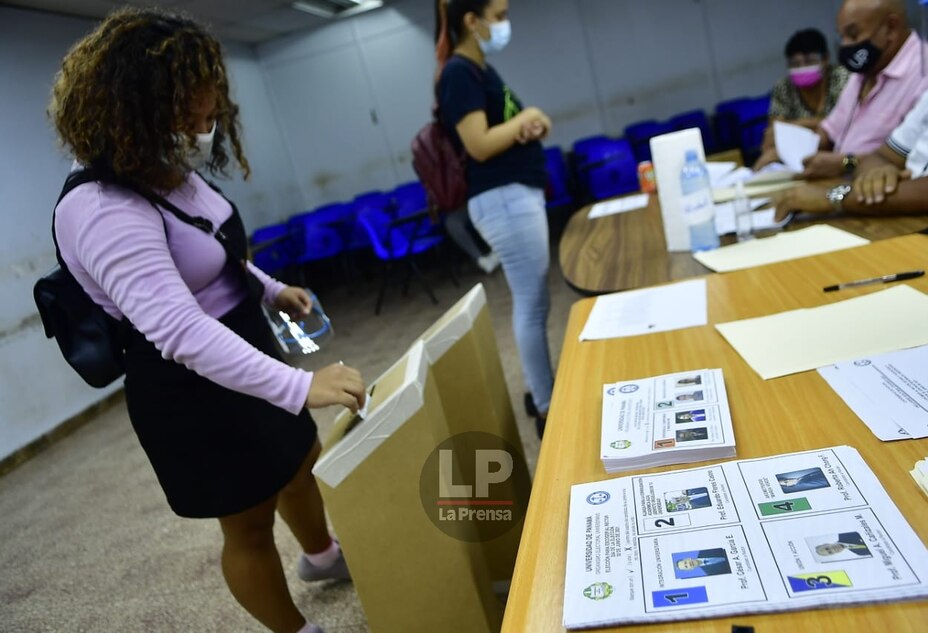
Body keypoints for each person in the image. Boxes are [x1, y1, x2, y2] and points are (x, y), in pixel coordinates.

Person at [49, 9, 365, 633]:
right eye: (192, 110)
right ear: (136, 107)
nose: (208, 119)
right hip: (188, 384)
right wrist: (303, 385)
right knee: (247, 520)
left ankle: (322, 556)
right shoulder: (100, 207)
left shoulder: (167, 171)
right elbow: (180, 331)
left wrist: (271, 289)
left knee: (299, 464)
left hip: (245, 344)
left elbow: (213, 252)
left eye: (209, 106)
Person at [434, 0, 554, 436]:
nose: (504, 24)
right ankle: (546, 404)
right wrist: (529, 116)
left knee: (534, 302)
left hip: (514, 195)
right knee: (531, 303)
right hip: (503, 200)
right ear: (472, 20)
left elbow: (496, 133)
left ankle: (542, 392)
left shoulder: (478, 69)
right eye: (499, 15)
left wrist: (526, 126)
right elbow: (479, 144)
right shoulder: (458, 73)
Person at [775, 0, 928, 221]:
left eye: (854, 35)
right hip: (876, 204)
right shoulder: (866, 75)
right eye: (842, 37)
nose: (846, 46)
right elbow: (880, 156)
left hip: (891, 206)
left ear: (891, 27)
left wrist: (836, 194)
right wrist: (875, 175)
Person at [754, 28, 850, 171]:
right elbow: (776, 129)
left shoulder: (842, 78)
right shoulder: (784, 87)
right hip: (797, 153)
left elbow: (844, 122)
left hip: (840, 151)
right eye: (795, 64)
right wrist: (813, 125)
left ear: (825, 59)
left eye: (809, 61)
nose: (802, 68)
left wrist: (796, 124)